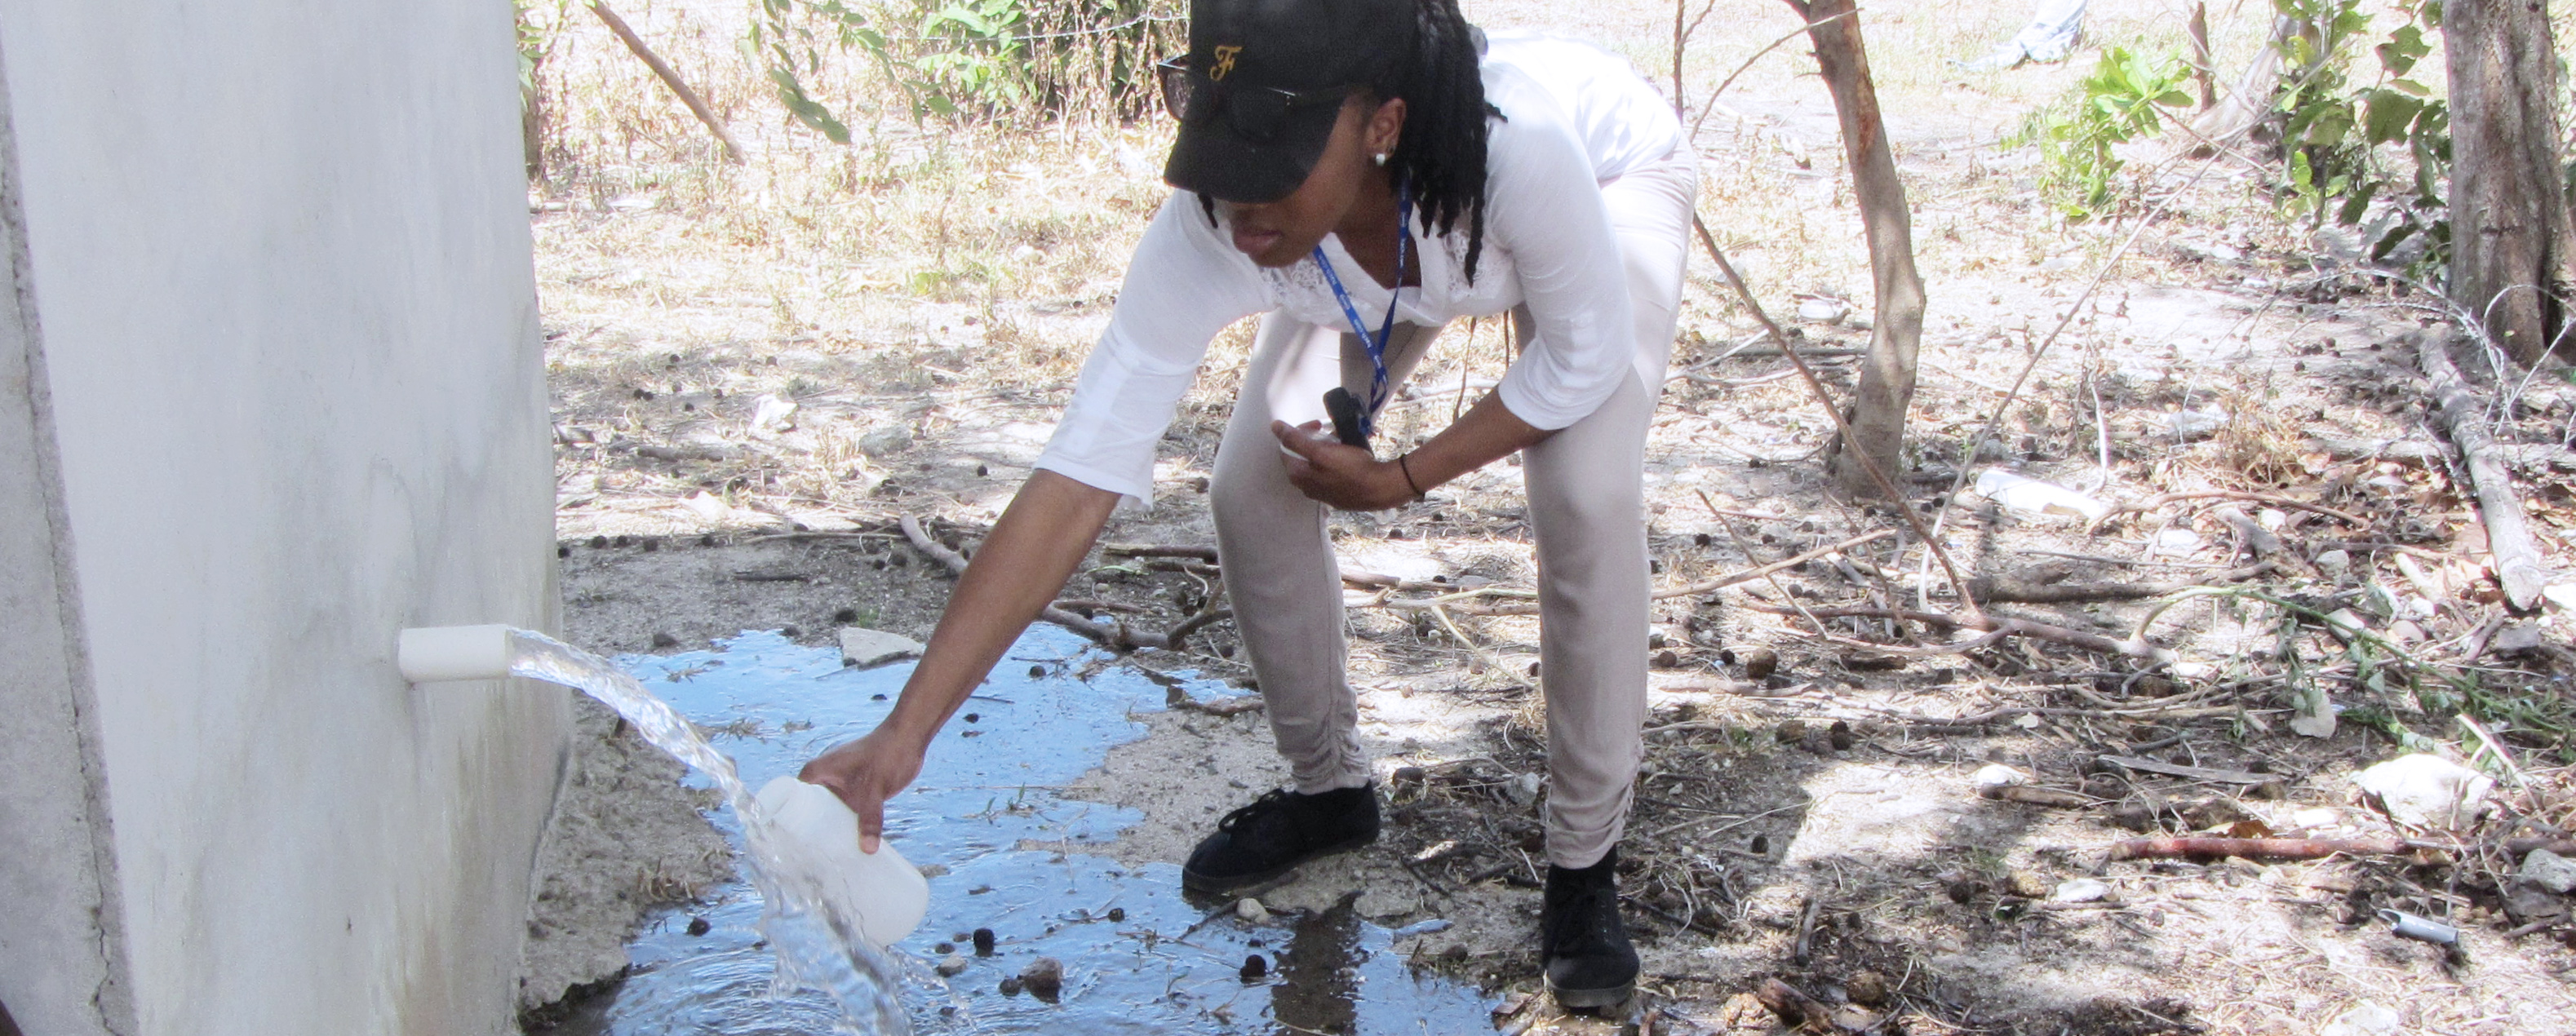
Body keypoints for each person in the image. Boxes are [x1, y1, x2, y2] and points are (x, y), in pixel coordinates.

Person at [799, 0, 1695, 1007]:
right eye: (1219, 157)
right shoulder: (1228, 217)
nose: (1237, 204)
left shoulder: (1515, 150)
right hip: (1378, 243)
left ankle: (1582, 866)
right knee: (1252, 484)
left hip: (1598, 187)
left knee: (1583, 487)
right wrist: (905, 729)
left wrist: (1403, 478)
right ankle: (1331, 793)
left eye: (1270, 160)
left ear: (1378, 123)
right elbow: (1077, 473)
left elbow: (1580, 361)